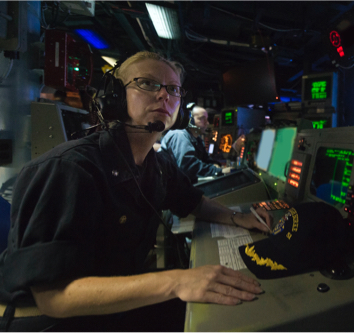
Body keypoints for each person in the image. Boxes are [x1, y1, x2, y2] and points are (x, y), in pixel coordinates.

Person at [0, 51, 272, 331]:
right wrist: (178, 281)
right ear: (115, 97)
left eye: (173, 89)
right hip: (49, 320)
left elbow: (195, 202)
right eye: (148, 83)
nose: (164, 96)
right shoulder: (71, 169)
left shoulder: (159, 165)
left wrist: (238, 218)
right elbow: (53, 299)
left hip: (112, 301)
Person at [158, 105, 231, 183]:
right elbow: (188, 166)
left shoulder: (197, 139)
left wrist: (217, 165)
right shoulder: (179, 135)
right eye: (202, 119)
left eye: (207, 119)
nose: (207, 123)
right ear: (190, 120)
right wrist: (218, 171)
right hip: (170, 188)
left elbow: (205, 159)